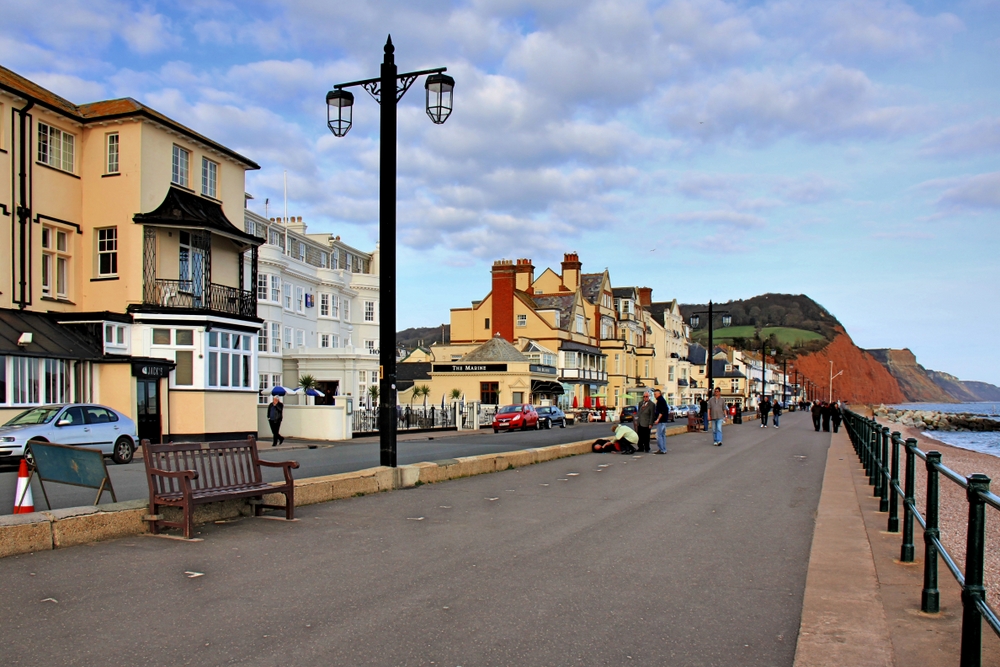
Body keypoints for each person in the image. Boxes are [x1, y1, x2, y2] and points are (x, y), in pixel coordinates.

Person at [652, 388, 670, 454]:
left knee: (659, 435)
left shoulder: (660, 401)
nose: (654, 395)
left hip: (661, 421)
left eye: (655, 394)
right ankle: (664, 449)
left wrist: (657, 419)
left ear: (659, 394)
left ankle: (661, 449)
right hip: (664, 420)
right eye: (654, 394)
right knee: (662, 435)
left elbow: (661, 412)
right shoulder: (662, 400)